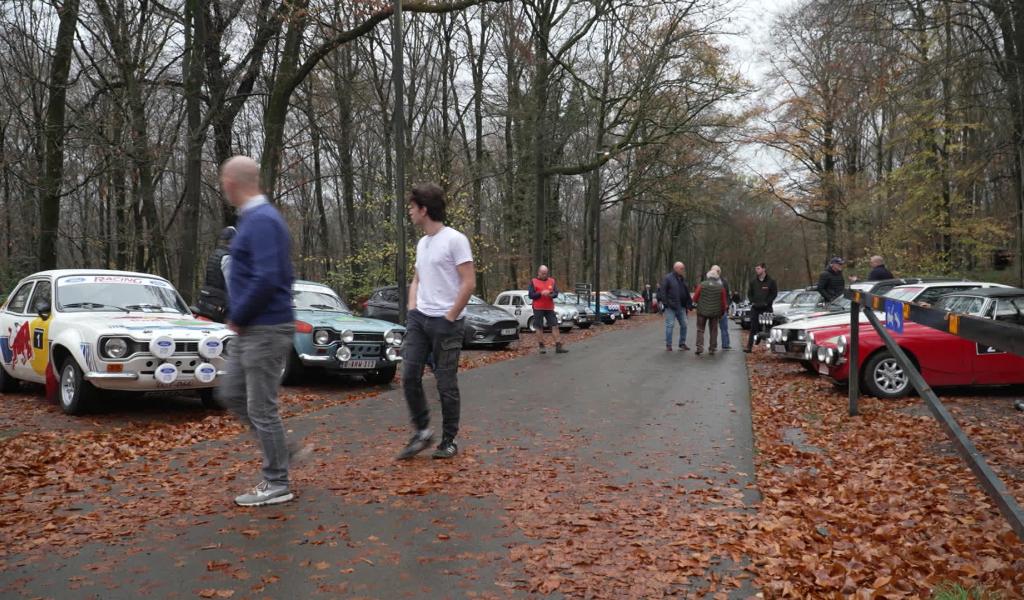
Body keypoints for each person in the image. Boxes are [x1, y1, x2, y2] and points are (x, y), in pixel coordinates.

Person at [215, 156, 300, 507]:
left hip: (264, 326)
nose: (222, 187)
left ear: (233, 183)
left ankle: (276, 480)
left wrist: (239, 313)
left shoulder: (264, 221)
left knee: (261, 407)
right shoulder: (252, 220)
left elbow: (269, 277)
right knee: (232, 393)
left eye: (223, 181)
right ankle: (279, 449)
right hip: (252, 326)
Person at [397, 183, 476, 461]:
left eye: (411, 207)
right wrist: (412, 309)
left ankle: (449, 440)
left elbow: (469, 283)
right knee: (408, 376)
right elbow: (417, 279)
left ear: (424, 209)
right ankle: (422, 432)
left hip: (448, 323)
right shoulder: (422, 243)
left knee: (445, 384)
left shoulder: (455, 239)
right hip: (420, 320)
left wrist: (450, 316)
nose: (409, 211)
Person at [193, 226, 236, 323]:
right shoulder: (227, 258)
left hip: (208, 301)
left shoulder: (214, 254)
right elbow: (231, 286)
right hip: (221, 305)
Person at [528, 265, 567, 354]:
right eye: (543, 273)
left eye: (546, 273)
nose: (544, 275)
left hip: (549, 307)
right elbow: (531, 295)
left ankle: (558, 346)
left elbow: (556, 293)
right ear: (539, 273)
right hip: (538, 307)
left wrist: (551, 294)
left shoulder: (552, 281)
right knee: (539, 327)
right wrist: (541, 293)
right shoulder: (533, 282)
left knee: (555, 325)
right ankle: (541, 346)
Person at [659, 262, 694, 351]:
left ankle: (682, 343)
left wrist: (689, 303)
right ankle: (669, 345)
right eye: (681, 268)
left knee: (684, 324)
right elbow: (662, 292)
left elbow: (686, 292)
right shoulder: (668, 278)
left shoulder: (682, 279)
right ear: (676, 268)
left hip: (681, 306)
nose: (683, 270)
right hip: (671, 307)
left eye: (683, 268)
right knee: (670, 325)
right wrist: (666, 303)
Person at [692, 270, 728, 355]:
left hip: (702, 311)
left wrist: (696, 304)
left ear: (708, 276)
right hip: (715, 312)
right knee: (713, 330)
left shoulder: (702, 285)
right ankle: (712, 348)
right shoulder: (720, 287)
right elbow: (723, 302)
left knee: (700, 329)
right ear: (717, 277)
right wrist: (722, 312)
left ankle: (699, 347)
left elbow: (695, 297)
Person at [745, 263, 778, 353]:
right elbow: (749, 293)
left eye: (758, 268)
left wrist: (767, 302)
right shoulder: (753, 282)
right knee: (753, 328)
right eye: (756, 268)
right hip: (755, 308)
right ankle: (749, 347)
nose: (757, 270)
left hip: (766, 308)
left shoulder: (771, 281)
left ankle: (771, 348)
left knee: (768, 328)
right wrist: (752, 301)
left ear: (764, 269)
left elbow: (774, 294)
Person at [710, 265, 732, 350]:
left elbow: (727, 295)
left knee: (724, 327)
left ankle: (725, 344)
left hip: (723, 308)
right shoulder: (709, 282)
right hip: (713, 308)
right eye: (714, 271)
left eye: (718, 271)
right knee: (713, 328)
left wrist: (727, 304)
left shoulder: (724, 282)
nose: (716, 273)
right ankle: (713, 345)